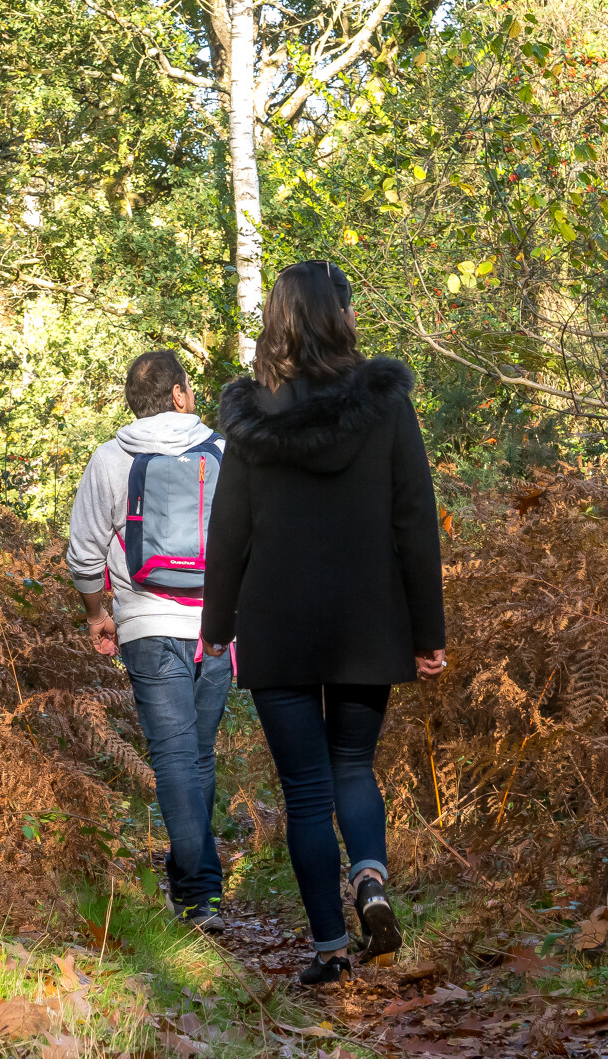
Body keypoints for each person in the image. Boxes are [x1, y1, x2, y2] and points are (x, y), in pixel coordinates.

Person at [199, 261, 447, 984]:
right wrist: (426, 631)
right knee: (352, 767)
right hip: (368, 621)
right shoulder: (386, 405)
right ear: (341, 316)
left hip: (278, 623)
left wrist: (217, 624)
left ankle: (330, 950)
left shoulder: (250, 418)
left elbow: (231, 530)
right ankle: (370, 878)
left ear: (277, 321)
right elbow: (414, 522)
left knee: (304, 790)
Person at [67, 350, 233, 935]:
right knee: (198, 757)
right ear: (182, 395)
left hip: (145, 626)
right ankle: (197, 886)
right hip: (214, 631)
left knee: (175, 760)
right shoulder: (223, 453)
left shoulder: (112, 458)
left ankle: (198, 895)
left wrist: (97, 615)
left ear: (133, 404)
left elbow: (85, 552)